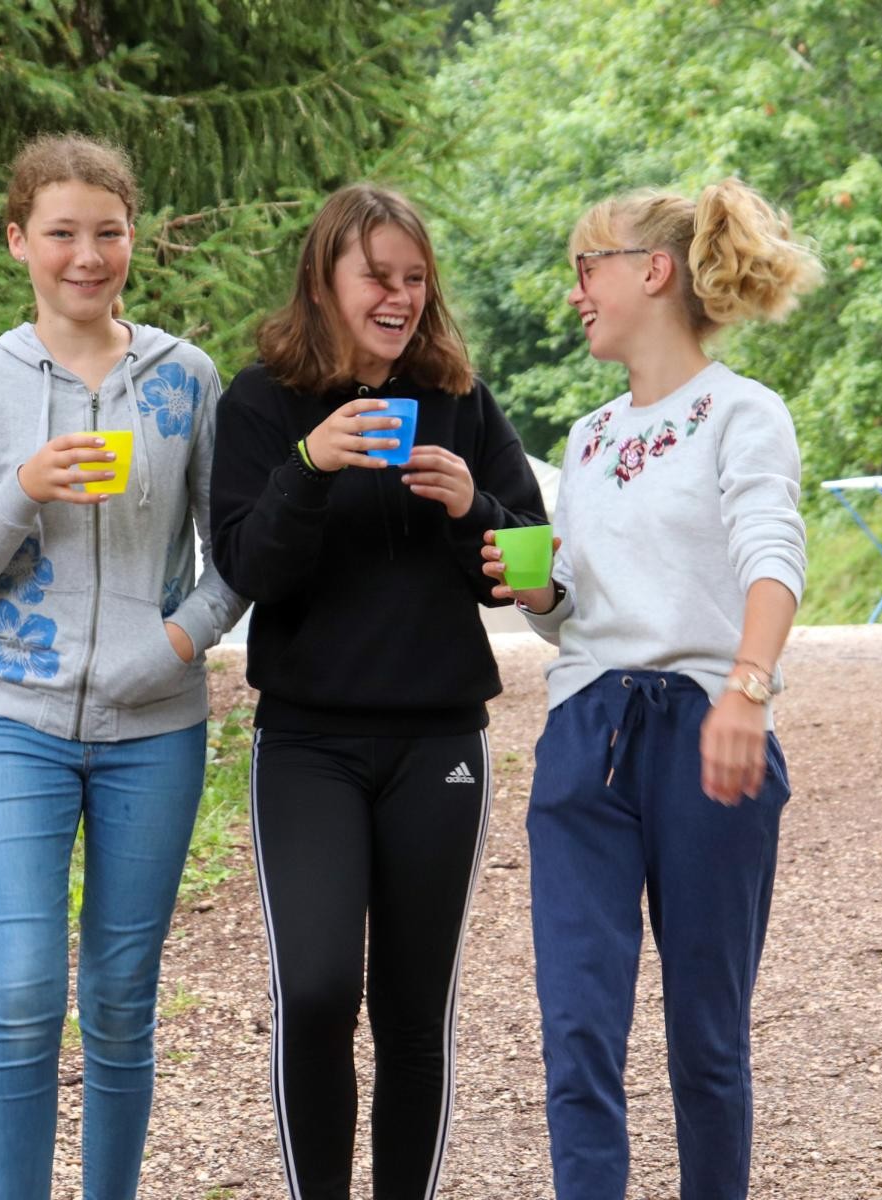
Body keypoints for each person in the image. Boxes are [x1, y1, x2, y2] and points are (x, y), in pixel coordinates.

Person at [0, 132, 244, 1200]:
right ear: (18, 241)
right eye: (62, 233)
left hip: (158, 729)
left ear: (134, 238)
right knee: (23, 994)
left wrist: (178, 644)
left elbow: (234, 559)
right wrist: (22, 489)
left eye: (109, 232)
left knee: (118, 999)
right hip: (18, 722)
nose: (88, 256)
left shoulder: (186, 377)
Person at [482, 178, 821, 1200]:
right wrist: (543, 595)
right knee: (577, 1028)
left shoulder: (743, 414)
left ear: (654, 271)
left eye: (588, 267)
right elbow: (578, 614)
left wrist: (747, 692)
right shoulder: (586, 439)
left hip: (706, 733)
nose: (576, 291)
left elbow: (773, 556)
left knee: (707, 1038)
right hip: (585, 737)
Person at [210, 182, 547, 1200]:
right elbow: (248, 568)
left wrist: (472, 506)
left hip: (438, 741)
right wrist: (310, 465)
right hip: (306, 744)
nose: (399, 297)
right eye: (377, 277)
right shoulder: (262, 402)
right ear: (324, 280)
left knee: (413, 1011)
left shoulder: (459, 399)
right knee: (317, 991)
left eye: (414, 278)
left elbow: (532, 564)